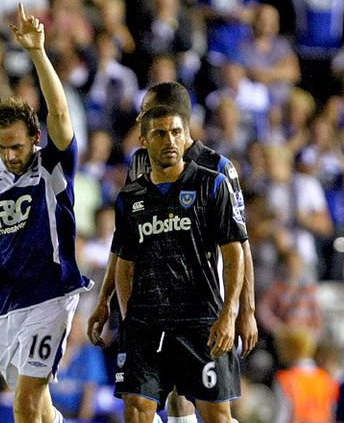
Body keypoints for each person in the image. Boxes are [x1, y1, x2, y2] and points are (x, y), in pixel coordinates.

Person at [0, 3, 92, 423]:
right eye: (1, 147)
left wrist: (37, 52)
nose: (10, 155)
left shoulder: (52, 167)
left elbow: (60, 115)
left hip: (52, 294)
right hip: (5, 302)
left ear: (34, 137)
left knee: (27, 401)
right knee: (41, 410)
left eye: (16, 146)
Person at [87, 81, 257, 422]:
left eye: (145, 112)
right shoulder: (140, 164)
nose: (139, 118)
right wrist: (109, 301)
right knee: (165, 400)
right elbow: (126, 244)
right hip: (152, 307)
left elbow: (240, 244)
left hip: (202, 302)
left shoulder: (218, 169)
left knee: (200, 400)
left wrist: (243, 310)